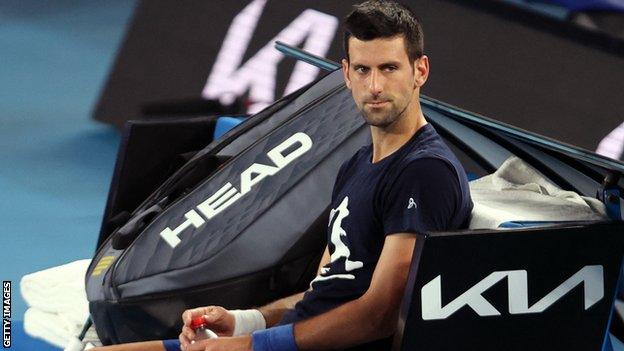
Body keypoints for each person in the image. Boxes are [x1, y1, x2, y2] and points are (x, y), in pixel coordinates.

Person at [92, 1, 473, 350]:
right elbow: (324, 289)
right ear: (345, 74)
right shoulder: (357, 163)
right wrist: (243, 322)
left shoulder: (424, 173)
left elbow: (380, 316)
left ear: (419, 71)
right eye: (362, 69)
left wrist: (251, 346)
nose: (374, 86)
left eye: (389, 68)